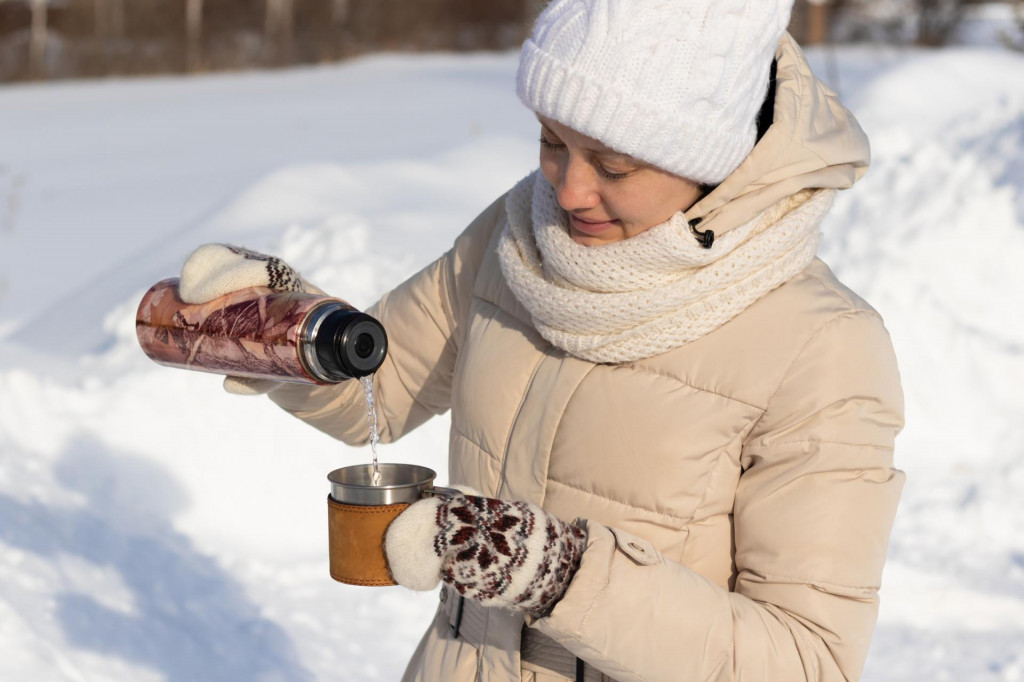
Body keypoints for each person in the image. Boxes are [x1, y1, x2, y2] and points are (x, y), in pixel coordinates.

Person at [178, 1, 905, 680]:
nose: (568, 190)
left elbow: (807, 658)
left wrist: (554, 572)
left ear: (711, 156)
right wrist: (290, 328)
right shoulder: (518, 234)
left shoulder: (823, 345)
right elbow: (379, 391)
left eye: (614, 165)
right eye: (551, 142)